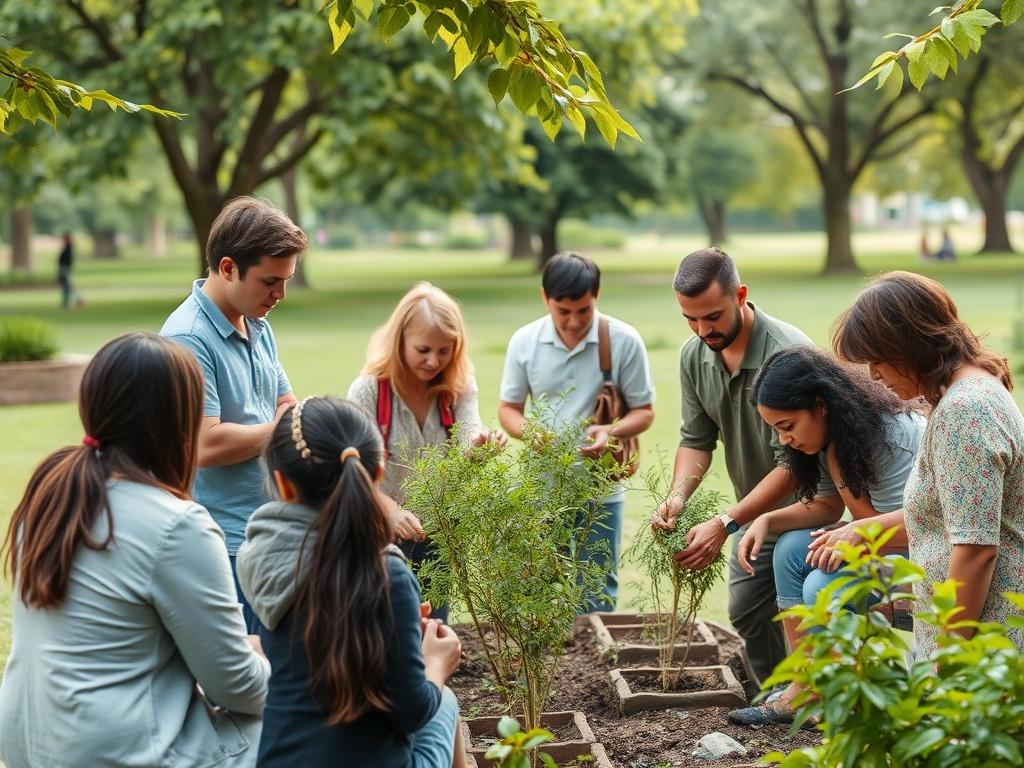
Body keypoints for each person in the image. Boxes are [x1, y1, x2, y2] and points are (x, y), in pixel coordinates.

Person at [0, 332, 269, 768]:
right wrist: (271, 663)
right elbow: (237, 687)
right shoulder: (178, 525)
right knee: (297, 724)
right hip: (111, 752)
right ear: (178, 420)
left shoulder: (49, 498)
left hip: (30, 746)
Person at [236, 396, 466, 768]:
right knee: (447, 702)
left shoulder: (261, 560)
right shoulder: (386, 573)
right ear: (376, 476)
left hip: (281, 759)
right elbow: (411, 712)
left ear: (281, 482)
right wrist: (435, 661)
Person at [726, 346, 924, 725]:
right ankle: (806, 682)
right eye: (776, 430)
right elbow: (827, 508)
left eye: (787, 426)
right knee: (789, 550)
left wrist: (849, 528)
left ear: (820, 405)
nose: (784, 440)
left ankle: (842, 701)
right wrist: (767, 519)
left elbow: (917, 524)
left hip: (918, 552)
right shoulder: (836, 432)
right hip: (875, 539)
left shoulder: (890, 437)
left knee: (821, 584)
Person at [830, 270, 1023, 653]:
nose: (873, 376)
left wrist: (945, 658)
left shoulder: (964, 411)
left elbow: (976, 548)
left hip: (984, 648)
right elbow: (955, 514)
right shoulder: (973, 388)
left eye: (877, 360)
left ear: (910, 345)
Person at [651, 247, 820, 684]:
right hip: (749, 513)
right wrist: (676, 497)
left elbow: (795, 463)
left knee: (799, 612)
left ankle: (806, 697)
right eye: (690, 318)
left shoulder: (788, 353)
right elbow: (695, 440)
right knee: (745, 612)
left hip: (809, 507)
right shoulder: (693, 356)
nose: (702, 329)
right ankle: (774, 694)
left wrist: (726, 522)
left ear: (740, 295)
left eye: (712, 316)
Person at [161, 196, 306, 632]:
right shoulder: (188, 338)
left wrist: (289, 420)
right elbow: (204, 444)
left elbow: (284, 402)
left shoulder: (257, 321)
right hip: (223, 542)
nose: (279, 294)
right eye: (269, 281)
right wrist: (284, 428)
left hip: (269, 527)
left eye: (286, 281)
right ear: (228, 268)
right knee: (249, 675)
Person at [499, 251, 655, 612]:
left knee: (597, 592)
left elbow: (644, 413)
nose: (573, 322)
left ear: (596, 297)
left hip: (601, 488)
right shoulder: (524, 341)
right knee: (536, 588)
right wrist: (530, 432)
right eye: (562, 311)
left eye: (583, 311)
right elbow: (508, 409)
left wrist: (609, 430)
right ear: (545, 298)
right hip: (541, 487)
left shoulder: (624, 341)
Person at [347, 282, 506, 620]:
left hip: (439, 535)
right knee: (384, 629)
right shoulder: (369, 392)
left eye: (445, 350)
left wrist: (480, 450)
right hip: (379, 535)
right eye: (423, 349)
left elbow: (467, 441)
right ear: (399, 340)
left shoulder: (459, 388)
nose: (434, 360)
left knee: (434, 624)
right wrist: (390, 512)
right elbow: (352, 472)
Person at [57, 231, 83, 309]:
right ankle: (65, 303)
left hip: (65, 268)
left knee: (68, 286)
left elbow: (66, 259)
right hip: (64, 268)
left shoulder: (68, 247)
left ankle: (79, 300)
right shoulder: (67, 247)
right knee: (65, 287)